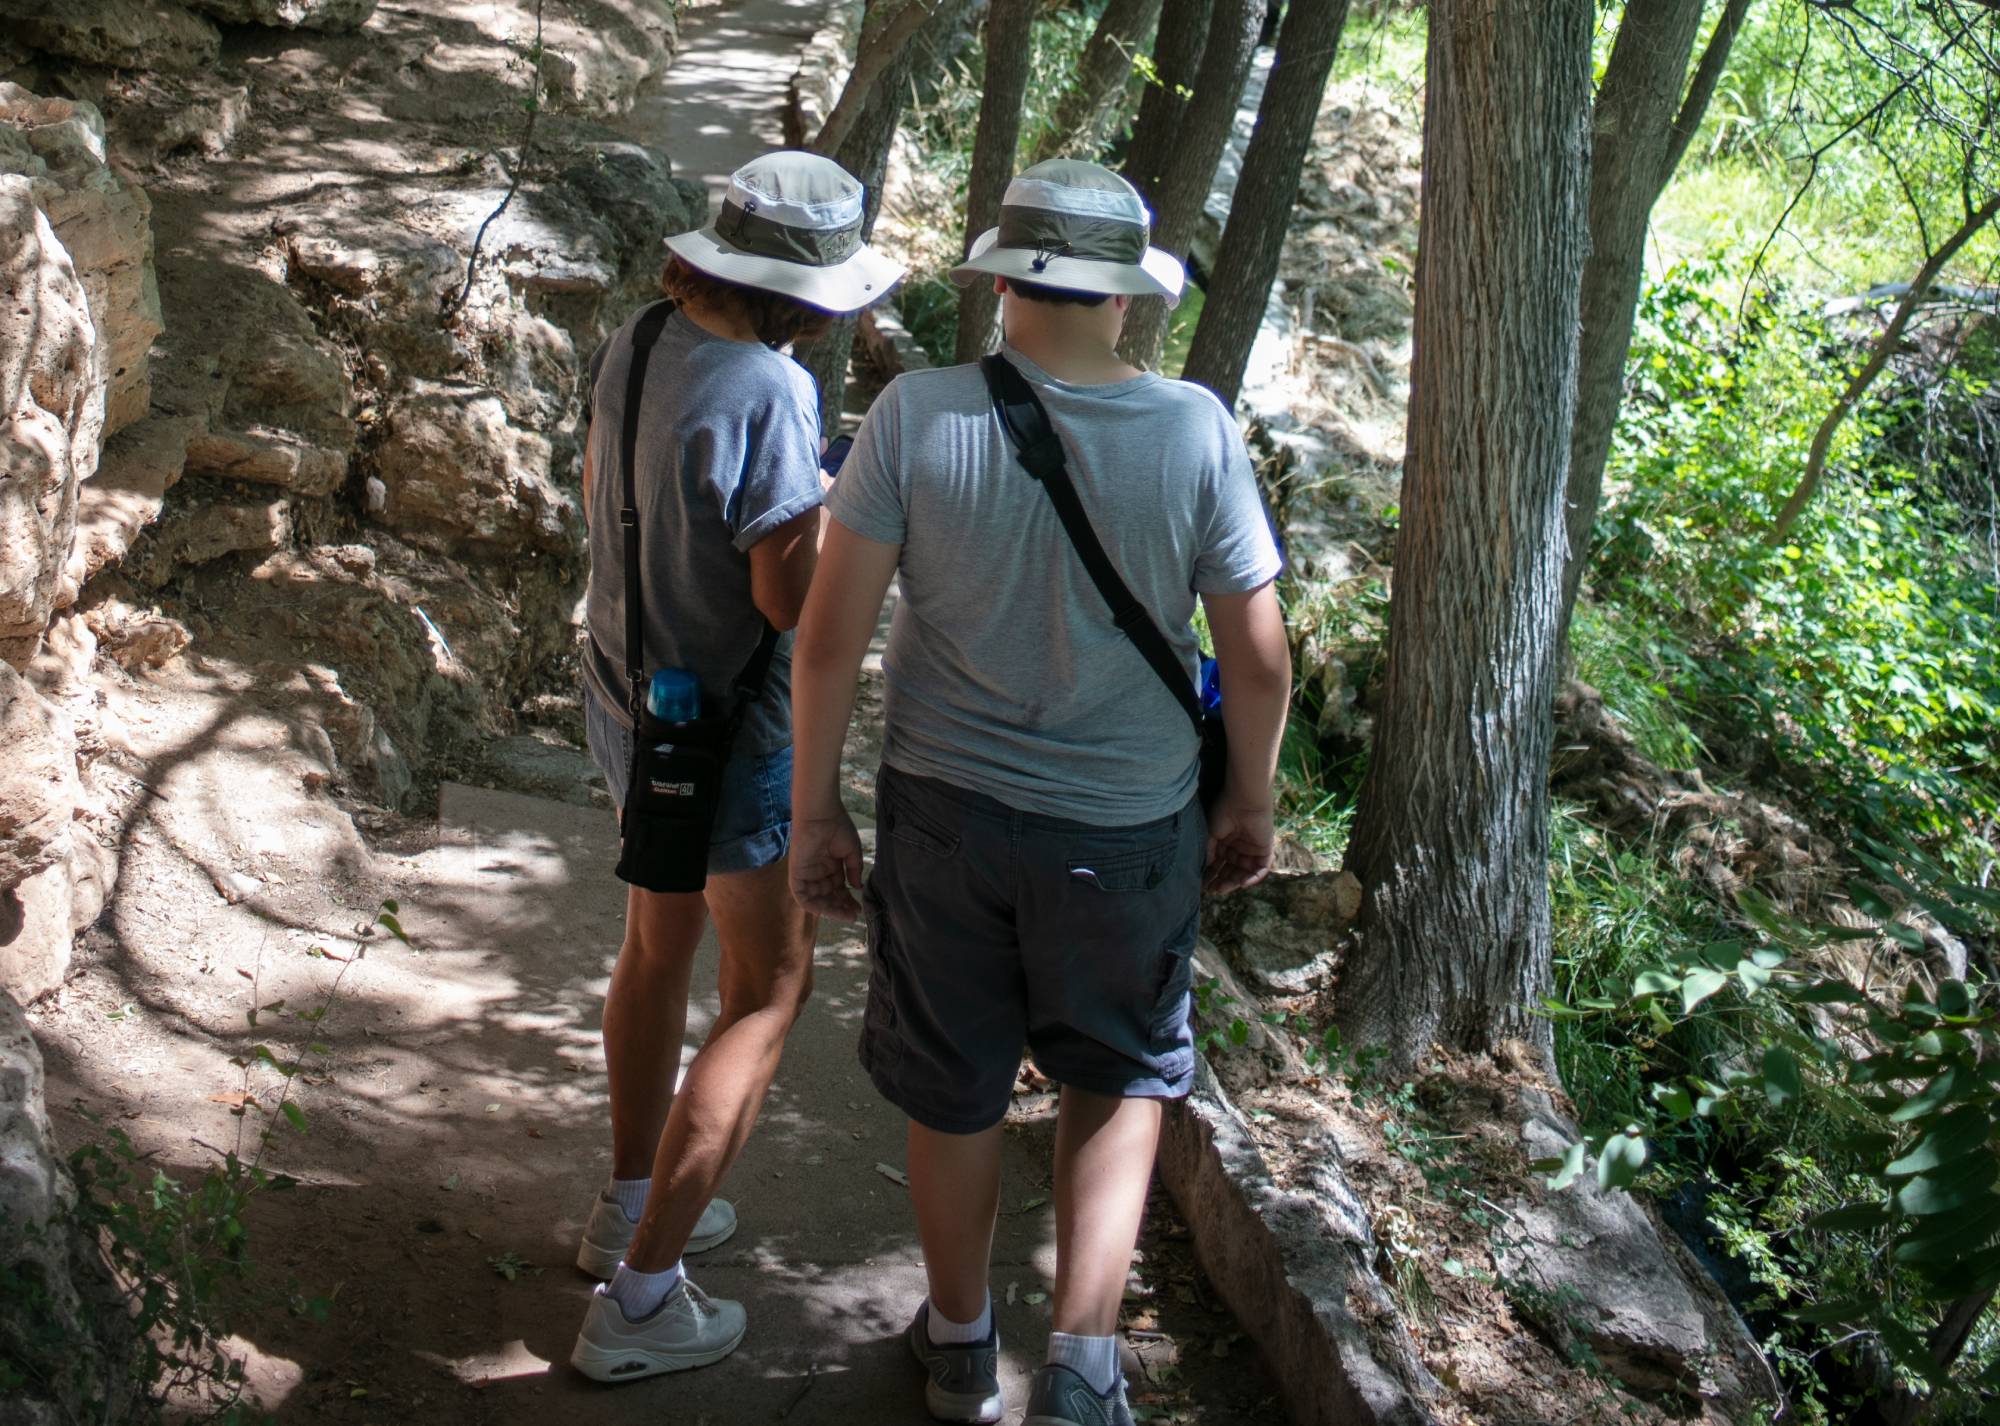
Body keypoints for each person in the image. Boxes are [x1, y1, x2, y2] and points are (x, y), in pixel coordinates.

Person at [788, 159, 1292, 1426]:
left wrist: (813, 810)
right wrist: (1249, 804)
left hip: (945, 809)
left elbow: (827, 640)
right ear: (1123, 301)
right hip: (1126, 827)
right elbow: (1259, 658)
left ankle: (959, 1345)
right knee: (1117, 1075)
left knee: (953, 1081)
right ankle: (1080, 1366)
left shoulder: (914, 415)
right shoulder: (1193, 430)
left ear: (1004, 282)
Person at [568, 150, 904, 1383]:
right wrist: (830, 502)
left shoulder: (638, 337)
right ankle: (641, 1297)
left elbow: (613, 492)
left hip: (629, 697)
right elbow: (782, 597)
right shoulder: (769, 388)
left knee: (654, 948)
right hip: (725, 728)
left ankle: (625, 1197)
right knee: (768, 990)